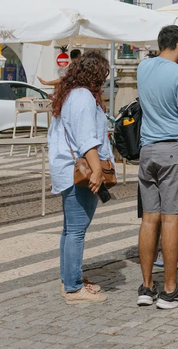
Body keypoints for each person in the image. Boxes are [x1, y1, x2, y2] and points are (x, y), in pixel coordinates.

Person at [136, 25, 178, 310]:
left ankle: (147, 286)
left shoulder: (143, 68)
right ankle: (170, 290)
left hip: (147, 151)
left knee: (149, 219)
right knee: (171, 219)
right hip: (172, 150)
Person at [48, 52, 112, 304]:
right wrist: (97, 170)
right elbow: (86, 139)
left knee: (69, 230)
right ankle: (74, 288)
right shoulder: (83, 97)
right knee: (76, 230)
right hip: (81, 172)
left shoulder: (69, 95)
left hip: (66, 169)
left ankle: (69, 280)